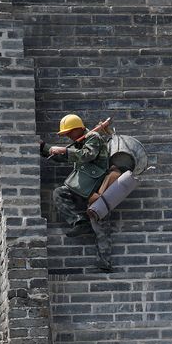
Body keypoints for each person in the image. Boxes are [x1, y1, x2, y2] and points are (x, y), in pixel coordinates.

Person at [41, 113, 120, 272]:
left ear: (78, 129)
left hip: (97, 187)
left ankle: (105, 263)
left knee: (100, 227)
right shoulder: (80, 142)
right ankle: (79, 221)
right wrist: (45, 148)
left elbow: (87, 155)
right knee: (59, 193)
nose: (68, 136)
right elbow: (65, 157)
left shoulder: (93, 137)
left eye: (70, 132)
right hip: (82, 187)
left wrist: (64, 150)